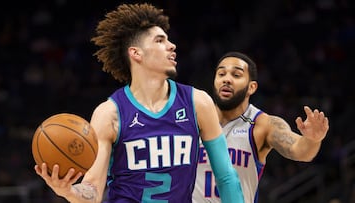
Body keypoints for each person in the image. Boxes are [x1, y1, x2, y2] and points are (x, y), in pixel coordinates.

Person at [34, 3, 244, 203]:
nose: (172, 46)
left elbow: (226, 177)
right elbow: (92, 190)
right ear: (136, 53)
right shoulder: (110, 114)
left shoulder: (197, 102)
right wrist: (68, 191)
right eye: (160, 41)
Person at [192, 51, 329, 203]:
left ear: (251, 87)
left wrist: (313, 139)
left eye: (236, 75)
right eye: (221, 74)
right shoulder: (192, 120)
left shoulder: (262, 124)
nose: (227, 80)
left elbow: (300, 151)